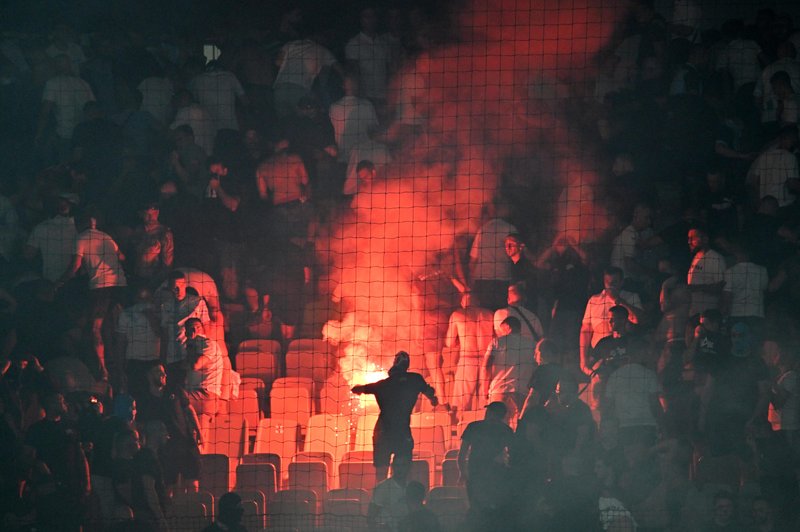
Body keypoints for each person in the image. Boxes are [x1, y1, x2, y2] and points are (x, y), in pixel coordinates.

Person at [57, 210, 128, 382]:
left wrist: (59, 283)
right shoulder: (106, 236)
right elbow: (122, 257)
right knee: (117, 326)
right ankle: (121, 365)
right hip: (120, 284)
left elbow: (75, 266)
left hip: (100, 287)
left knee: (96, 328)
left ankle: (103, 369)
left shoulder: (81, 238)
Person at [351, 351, 438, 481]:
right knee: (402, 474)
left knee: (381, 474)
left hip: (383, 432)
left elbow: (357, 389)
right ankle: (399, 497)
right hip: (402, 431)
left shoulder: (382, 385)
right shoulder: (415, 380)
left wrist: (359, 388)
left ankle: (381, 498)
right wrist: (433, 399)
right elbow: (430, 393)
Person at [135, 363, 203, 495]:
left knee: (192, 481)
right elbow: (141, 425)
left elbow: (189, 409)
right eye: (158, 372)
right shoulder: (144, 400)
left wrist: (199, 432)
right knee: (167, 485)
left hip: (185, 442)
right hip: (165, 450)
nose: (163, 375)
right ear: (149, 376)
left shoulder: (175, 390)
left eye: (164, 372)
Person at [579, 267, 642, 379]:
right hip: (600, 356)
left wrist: (619, 300)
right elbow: (586, 330)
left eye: (615, 282)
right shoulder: (594, 300)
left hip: (623, 355)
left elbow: (638, 320)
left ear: (622, 282)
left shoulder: (631, 297)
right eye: (608, 282)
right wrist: (583, 360)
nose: (611, 285)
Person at [458, 401, 514, 517]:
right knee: (494, 511)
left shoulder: (473, 427)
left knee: (477, 509)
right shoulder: (506, 430)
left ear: (490, 413)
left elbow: (462, 453)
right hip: (497, 475)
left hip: (476, 474)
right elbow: (513, 454)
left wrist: (462, 473)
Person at [157, 270, 209, 386]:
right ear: (170, 288)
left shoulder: (198, 302)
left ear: (185, 284)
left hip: (192, 357)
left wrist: (203, 354)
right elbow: (164, 335)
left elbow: (207, 330)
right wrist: (162, 360)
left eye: (180, 286)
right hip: (173, 358)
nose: (178, 290)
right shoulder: (166, 306)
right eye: (175, 287)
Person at [482, 316, 537, 423]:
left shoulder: (497, 342)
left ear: (508, 326)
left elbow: (486, 366)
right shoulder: (532, 344)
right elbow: (535, 366)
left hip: (499, 391)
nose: (499, 332)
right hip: (521, 391)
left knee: (496, 427)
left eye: (501, 329)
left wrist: (485, 389)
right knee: (518, 427)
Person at [445, 291, 494, 412]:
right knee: (486, 401)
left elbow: (449, 343)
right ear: (478, 302)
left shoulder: (457, 314)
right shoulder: (489, 314)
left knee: (462, 404)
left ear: (462, 302)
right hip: (487, 360)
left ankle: (462, 428)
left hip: (467, 360)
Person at [132, 420, 169, 531]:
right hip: (148, 516)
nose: (167, 435)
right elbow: (149, 489)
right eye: (164, 431)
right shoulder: (147, 457)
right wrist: (159, 517)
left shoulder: (148, 456)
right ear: (156, 433)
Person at [183, 318, 224, 420]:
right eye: (191, 328)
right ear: (186, 332)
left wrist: (190, 344)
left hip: (206, 395)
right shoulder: (191, 348)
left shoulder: (208, 344)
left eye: (198, 327)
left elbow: (196, 365)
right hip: (196, 394)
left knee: (175, 399)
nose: (195, 331)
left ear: (203, 329)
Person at [687, 226, 726, 324]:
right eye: (688, 238)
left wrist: (696, 288)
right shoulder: (696, 257)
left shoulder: (715, 258)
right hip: (694, 313)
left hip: (708, 317)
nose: (689, 242)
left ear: (705, 239)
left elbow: (721, 287)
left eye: (693, 238)